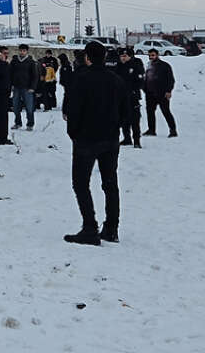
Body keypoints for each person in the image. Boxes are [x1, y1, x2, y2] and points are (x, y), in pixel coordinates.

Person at [62, 41, 129, 245]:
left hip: (85, 139)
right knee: (110, 184)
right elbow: (127, 111)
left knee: (81, 183)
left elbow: (73, 111)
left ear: (87, 58)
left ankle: (90, 227)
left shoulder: (80, 79)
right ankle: (111, 228)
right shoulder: (116, 79)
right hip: (110, 139)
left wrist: (74, 133)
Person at [142, 49, 177, 137]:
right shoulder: (149, 65)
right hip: (150, 93)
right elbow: (146, 78)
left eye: (153, 55)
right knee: (150, 112)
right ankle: (151, 130)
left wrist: (169, 91)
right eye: (149, 55)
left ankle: (173, 130)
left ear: (157, 55)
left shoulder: (165, 66)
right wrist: (144, 88)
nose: (151, 57)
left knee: (166, 112)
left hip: (162, 93)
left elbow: (171, 80)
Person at [114, 47, 144, 147]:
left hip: (132, 96)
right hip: (121, 97)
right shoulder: (118, 66)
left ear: (130, 56)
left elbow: (140, 81)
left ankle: (137, 140)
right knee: (123, 119)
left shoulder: (136, 65)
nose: (123, 58)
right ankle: (127, 138)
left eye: (125, 56)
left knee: (135, 119)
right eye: (121, 56)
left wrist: (133, 90)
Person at [10, 44, 39, 131]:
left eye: (24, 51)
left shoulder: (31, 62)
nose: (22, 52)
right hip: (16, 87)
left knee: (29, 107)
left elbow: (35, 76)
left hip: (27, 88)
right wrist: (11, 84)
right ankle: (18, 123)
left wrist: (33, 87)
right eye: (20, 50)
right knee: (15, 107)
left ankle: (30, 124)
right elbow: (10, 73)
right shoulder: (14, 61)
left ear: (27, 51)